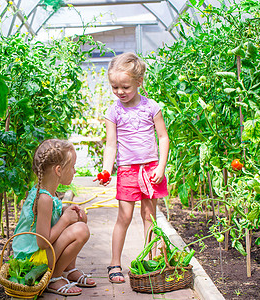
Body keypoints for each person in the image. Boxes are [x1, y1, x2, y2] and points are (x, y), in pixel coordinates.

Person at [95, 52, 169, 284]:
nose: (120, 92)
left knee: (149, 216)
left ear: (139, 82)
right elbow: (110, 144)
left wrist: (161, 167)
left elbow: (163, 138)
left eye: (125, 86)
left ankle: (150, 260)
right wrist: (107, 169)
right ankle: (115, 263)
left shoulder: (152, 107)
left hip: (150, 170)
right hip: (127, 171)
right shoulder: (114, 111)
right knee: (124, 216)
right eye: (114, 87)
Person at [12, 139, 96, 296]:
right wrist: (65, 220)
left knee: (78, 223)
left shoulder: (46, 193)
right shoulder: (44, 199)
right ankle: (54, 277)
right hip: (32, 263)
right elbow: (43, 242)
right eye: (72, 167)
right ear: (58, 170)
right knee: (80, 230)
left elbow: (51, 217)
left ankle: (69, 270)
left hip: (39, 255)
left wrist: (66, 211)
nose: (75, 171)